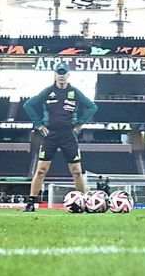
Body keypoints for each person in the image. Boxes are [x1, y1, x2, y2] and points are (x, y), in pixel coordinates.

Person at [22, 64, 97, 212]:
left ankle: (84, 202)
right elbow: (28, 105)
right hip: (50, 135)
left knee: (76, 170)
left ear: (68, 75)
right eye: (59, 73)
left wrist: (80, 124)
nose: (61, 76)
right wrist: (38, 124)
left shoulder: (74, 92)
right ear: (55, 75)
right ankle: (31, 202)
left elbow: (92, 107)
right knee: (41, 170)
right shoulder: (48, 92)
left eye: (64, 73)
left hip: (69, 135)